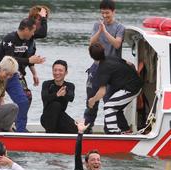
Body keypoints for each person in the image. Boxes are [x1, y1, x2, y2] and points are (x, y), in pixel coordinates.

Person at [0, 18, 45, 132]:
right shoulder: (9, 39)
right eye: (32, 31)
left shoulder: (27, 41)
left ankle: (20, 130)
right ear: (25, 29)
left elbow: (25, 60)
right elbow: (9, 59)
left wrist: (34, 71)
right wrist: (29, 60)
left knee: (23, 101)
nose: (34, 34)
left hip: (13, 74)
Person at [84, 0, 125, 134]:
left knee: (109, 100)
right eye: (102, 13)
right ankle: (86, 127)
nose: (105, 16)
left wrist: (105, 31)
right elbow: (91, 43)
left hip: (111, 69)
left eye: (107, 13)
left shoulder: (119, 27)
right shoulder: (97, 25)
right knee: (91, 98)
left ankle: (110, 130)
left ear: (113, 12)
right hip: (96, 66)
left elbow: (117, 44)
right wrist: (100, 30)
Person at [88, 43, 142, 134]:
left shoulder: (102, 68)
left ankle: (114, 133)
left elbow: (102, 91)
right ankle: (126, 130)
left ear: (91, 56)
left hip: (131, 88)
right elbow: (130, 64)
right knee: (115, 107)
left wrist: (92, 101)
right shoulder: (111, 57)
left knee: (108, 106)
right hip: (135, 84)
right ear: (103, 51)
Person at [40, 60, 78, 133]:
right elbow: (44, 97)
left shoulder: (69, 85)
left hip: (61, 117)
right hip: (47, 118)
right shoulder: (47, 84)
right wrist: (57, 95)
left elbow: (71, 98)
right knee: (55, 105)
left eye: (60, 70)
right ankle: (50, 135)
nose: (57, 73)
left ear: (66, 72)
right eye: (55, 70)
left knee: (78, 130)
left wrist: (64, 94)